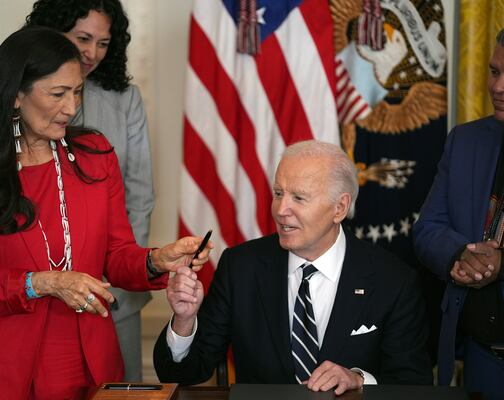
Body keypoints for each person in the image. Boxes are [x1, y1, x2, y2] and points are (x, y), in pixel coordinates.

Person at [0, 26, 211, 399]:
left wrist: (157, 260)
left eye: (77, 90)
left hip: (89, 364)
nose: (72, 107)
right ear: (16, 95)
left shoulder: (95, 155)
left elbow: (116, 257)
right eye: (58, 93)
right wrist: (40, 283)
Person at [154, 140, 432, 395]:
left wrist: (359, 379)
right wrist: (184, 321)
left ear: (340, 208)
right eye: (278, 193)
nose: (280, 209)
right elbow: (182, 374)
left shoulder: (393, 280)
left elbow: (413, 384)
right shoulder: (241, 267)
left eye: (299, 198)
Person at [25, 0, 154, 381]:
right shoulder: (22, 88)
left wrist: (122, 271)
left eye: (103, 43)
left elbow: (140, 196)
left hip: (114, 290)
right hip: (40, 290)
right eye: (83, 38)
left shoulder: (124, 98)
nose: (92, 53)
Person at [413, 29, 504, 399]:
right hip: (481, 359)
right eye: (495, 71)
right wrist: (460, 255)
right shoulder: (465, 140)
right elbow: (427, 229)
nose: (498, 87)